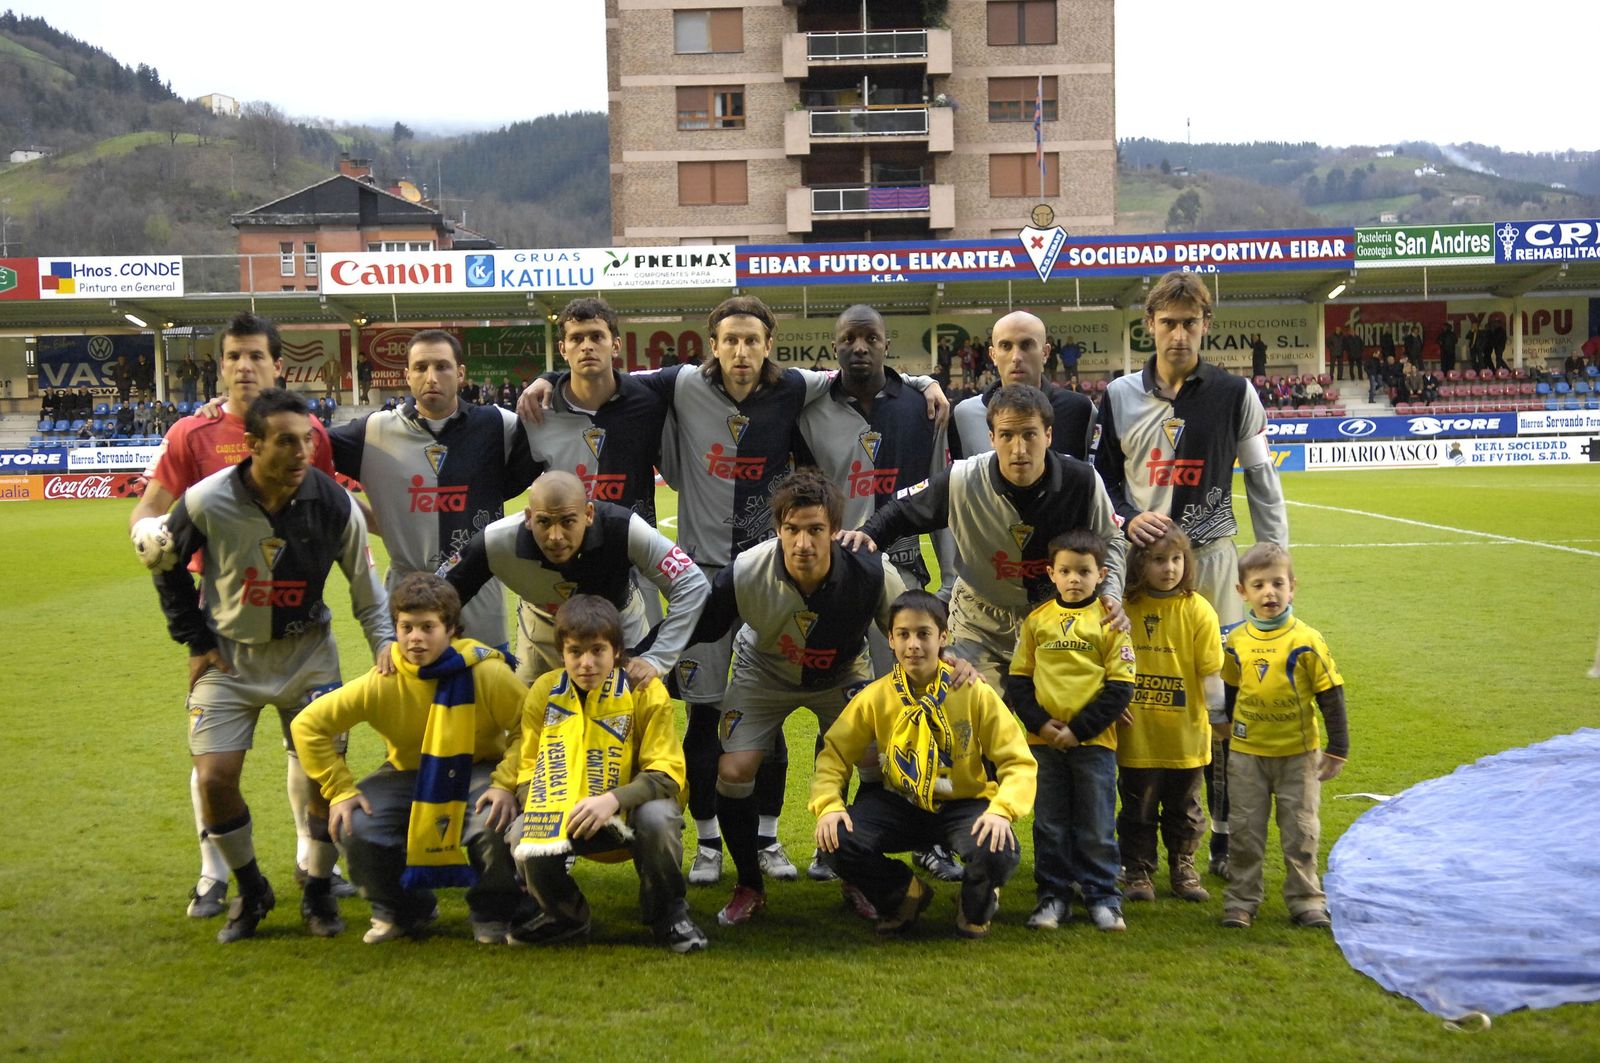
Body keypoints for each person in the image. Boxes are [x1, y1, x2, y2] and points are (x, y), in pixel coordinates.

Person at [523, 295, 948, 887]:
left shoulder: (797, 387)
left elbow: (862, 369)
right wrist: (549, 375)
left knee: (785, 722)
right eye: (730, 340)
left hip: (775, 573)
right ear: (712, 345)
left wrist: (924, 381)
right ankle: (708, 843)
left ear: (769, 345)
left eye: (753, 340)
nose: (742, 351)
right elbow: (601, 368)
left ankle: (772, 838)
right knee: (704, 718)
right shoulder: (679, 384)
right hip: (703, 578)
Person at [152, 389, 394, 942]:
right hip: (229, 658)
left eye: (308, 439)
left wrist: (383, 645)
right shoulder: (206, 499)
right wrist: (193, 638)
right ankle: (250, 887)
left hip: (308, 656)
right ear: (254, 445)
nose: (302, 451)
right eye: (287, 441)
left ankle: (315, 888)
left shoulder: (334, 503)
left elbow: (367, 588)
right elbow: (165, 561)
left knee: (321, 781)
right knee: (214, 779)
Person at [129, 312, 344, 920]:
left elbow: (322, 513)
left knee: (307, 749)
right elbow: (151, 508)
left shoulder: (310, 433)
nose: (244, 366)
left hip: (296, 616)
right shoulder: (189, 434)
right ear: (219, 365)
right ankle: (214, 873)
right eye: (233, 357)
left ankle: (312, 865)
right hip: (218, 616)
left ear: (278, 364)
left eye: (255, 356)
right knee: (214, 755)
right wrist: (148, 538)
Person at [1093, 270, 1288, 883]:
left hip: (1214, 570)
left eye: (1190, 322)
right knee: (1141, 710)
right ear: (1148, 325)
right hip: (1139, 576)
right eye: (1168, 322)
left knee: (1219, 712)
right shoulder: (1119, 394)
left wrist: (1274, 557)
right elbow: (1099, 481)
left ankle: (1222, 841)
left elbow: (1261, 480)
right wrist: (1126, 521)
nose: (1179, 333)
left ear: (1206, 326)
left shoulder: (1236, 395)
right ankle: (1135, 852)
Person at [690, 469, 909, 927]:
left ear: (835, 530)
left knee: (871, 759)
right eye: (792, 530)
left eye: (815, 530)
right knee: (733, 769)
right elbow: (703, 627)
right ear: (778, 531)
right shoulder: (748, 570)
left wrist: (944, 669)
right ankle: (749, 883)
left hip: (843, 671)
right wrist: (644, 657)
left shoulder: (871, 569)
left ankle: (855, 872)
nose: (803, 543)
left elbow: (908, 630)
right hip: (764, 670)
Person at [290, 574, 531, 945]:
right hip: (406, 774)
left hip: (478, 769)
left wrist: (504, 783)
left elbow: (527, 727)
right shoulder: (383, 679)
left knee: (493, 818)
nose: (415, 638)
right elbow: (308, 724)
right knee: (354, 822)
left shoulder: (487, 672)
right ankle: (402, 909)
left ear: (451, 629)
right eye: (406, 627)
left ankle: (493, 912)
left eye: (427, 627)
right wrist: (339, 790)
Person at [847, 384, 1127, 694]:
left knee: (1061, 722)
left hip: (1056, 620)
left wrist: (1111, 592)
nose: (1019, 449)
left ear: (1048, 435)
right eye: (1007, 435)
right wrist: (866, 536)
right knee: (963, 711)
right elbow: (899, 512)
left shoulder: (1083, 480)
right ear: (991, 438)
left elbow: (1111, 539)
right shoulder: (961, 479)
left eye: (1030, 435)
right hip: (979, 624)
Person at [812, 590, 1035, 938]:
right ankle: (903, 894)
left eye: (923, 634)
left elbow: (1017, 761)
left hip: (963, 802)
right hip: (898, 802)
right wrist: (828, 805)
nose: (913, 644)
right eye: (903, 634)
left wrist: (1001, 810)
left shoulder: (974, 691)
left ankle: (976, 902)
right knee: (835, 839)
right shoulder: (876, 696)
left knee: (998, 847)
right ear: (890, 639)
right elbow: (835, 753)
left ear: (943, 637)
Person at [508, 595, 707, 952]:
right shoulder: (543, 692)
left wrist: (611, 800)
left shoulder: (644, 689)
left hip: (631, 814)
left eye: (597, 651)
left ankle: (668, 916)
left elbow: (666, 773)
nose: (586, 663)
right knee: (523, 831)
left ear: (616, 651)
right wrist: (548, 806)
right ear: (561, 652)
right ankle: (564, 915)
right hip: (569, 814)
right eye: (575, 652)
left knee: (659, 818)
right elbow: (527, 771)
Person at [327, 329, 539, 649]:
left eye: (442, 366)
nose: (431, 377)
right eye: (421, 367)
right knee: (412, 696)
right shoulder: (375, 431)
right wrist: (370, 520)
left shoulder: (500, 425)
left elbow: (561, 433)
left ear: (461, 373)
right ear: (407, 375)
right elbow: (307, 450)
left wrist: (549, 379)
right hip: (408, 596)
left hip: (479, 595)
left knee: (484, 691)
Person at [440, 470, 709, 687]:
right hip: (542, 628)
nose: (555, 536)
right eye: (544, 522)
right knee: (529, 720)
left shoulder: (626, 528)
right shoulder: (495, 541)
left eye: (568, 521)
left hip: (619, 627)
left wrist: (656, 657)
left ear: (589, 514)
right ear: (529, 518)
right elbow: (438, 592)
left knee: (634, 719)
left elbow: (691, 583)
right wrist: (398, 635)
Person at [1006, 529, 1135, 933]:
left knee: (1097, 823)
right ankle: (1053, 896)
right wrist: (1042, 724)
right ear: (1051, 573)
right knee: (1050, 823)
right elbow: (1019, 681)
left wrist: (1078, 730)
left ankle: (1102, 896)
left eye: (1083, 571)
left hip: (1093, 744)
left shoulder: (1111, 623)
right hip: (1042, 745)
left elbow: (1121, 688)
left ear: (1102, 574)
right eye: (1065, 571)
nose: (1074, 579)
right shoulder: (1037, 621)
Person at [1218, 543, 1349, 930]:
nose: (1269, 593)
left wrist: (1338, 748)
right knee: (1244, 832)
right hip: (1246, 755)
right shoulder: (1236, 640)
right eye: (1258, 585)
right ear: (1243, 592)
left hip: (1298, 756)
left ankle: (1307, 899)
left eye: (1278, 583)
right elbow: (1231, 688)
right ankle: (1241, 900)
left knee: (1301, 833)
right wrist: (1225, 725)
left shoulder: (1307, 640)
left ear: (1293, 587)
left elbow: (1331, 694)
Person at [1115, 527, 1223, 904]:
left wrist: (1218, 716)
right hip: (1138, 736)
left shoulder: (1198, 610)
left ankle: (1183, 865)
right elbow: (1107, 663)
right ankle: (1138, 871)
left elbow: (1210, 671)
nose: (1169, 568)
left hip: (1186, 736)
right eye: (1158, 560)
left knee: (1185, 809)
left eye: (1176, 559)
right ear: (1140, 564)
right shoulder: (1125, 608)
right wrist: (1113, 705)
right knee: (1137, 809)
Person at [948, 310, 1095, 461]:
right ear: (993, 355)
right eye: (1006, 346)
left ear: (1045, 353)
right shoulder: (964, 416)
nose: (1016, 357)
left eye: (1026, 345)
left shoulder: (1080, 410)